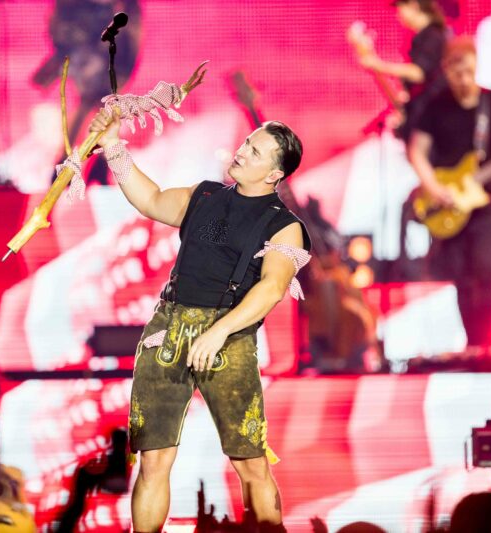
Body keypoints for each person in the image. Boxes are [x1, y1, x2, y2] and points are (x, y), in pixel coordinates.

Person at [89, 109, 312, 532]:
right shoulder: (206, 195)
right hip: (168, 328)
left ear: (274, 174)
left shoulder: (284, 226)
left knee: (251, 463)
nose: (242, 152)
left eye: (256, 152)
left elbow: (271, 288)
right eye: (247, 143)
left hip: (229, 335)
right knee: (153, 459)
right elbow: (151, 199)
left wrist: (220, 331)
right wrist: (114, 147)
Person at [407, 36, 491, 353]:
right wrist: (434, 188)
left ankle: (489, 345)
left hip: (488, 202)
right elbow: (417, 151)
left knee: (488, 270)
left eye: (468, 71)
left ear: (476, 65)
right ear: (446, 70)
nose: (464, 79)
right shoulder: (436, 107)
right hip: (450, 202)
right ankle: (473, 345)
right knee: (462, 276)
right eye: (457, 73)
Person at [359, 0, 449, 140]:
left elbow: (418, 73)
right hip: (419, 117)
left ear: (413, 6)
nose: (398, 15)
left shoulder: (432, 36)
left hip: (430, 121)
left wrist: (378, 65)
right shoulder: (420, 38)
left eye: (400, 8)